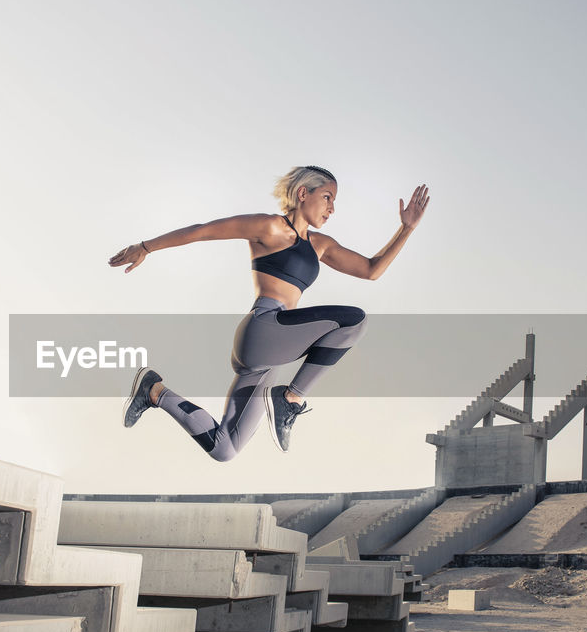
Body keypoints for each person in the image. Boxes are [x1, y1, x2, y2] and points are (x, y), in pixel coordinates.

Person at [108, 166, 429, 461]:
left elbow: (372, 270)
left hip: (272, 352)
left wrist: (406, 229)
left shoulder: (321, 245)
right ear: (303, 193)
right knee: (353, 320)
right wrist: (146, 247)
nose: (332, 208)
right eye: (327, 198)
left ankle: (154, 391)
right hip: (264, 329)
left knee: (225, 447)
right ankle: (290, 399)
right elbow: (203, 230)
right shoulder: (271, 227)